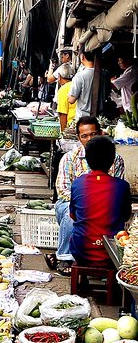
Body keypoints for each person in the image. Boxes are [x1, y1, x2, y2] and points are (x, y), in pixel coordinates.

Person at [50, 116, 125, 276]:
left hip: (101, 205)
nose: (89, 139)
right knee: (73, 217)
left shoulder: (117, 160)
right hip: (73, 204)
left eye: (93, 134)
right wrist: (87, 199)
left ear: (100, 133)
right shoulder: (69, 158)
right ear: (78, 138)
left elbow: (117, 193)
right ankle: (64, 256)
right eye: (84, 136)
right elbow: (62, 190)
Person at [69, 135, 131, 268]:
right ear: (112, 160)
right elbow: (126, 216)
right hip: (111, 253)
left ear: (87, 159)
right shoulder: (122, 186)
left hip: (81, 250)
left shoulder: (78, 184)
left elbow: (73, 216)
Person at [67, 50, 95, 118]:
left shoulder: (80, 76)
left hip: (83, 118)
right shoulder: (104, 73)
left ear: (82, 57)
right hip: (101, 118)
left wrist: (68, 94)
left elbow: (71, 100)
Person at [55, 64, 75, 131]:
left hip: (71, 125)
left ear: (59, 76)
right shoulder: (75, 85)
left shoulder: (63, 89)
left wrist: (63, 132)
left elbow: (63, 114)